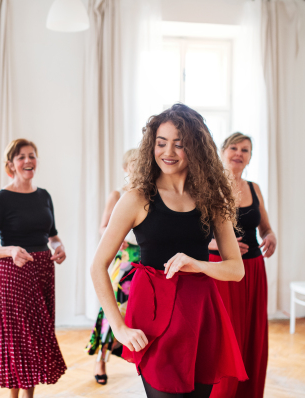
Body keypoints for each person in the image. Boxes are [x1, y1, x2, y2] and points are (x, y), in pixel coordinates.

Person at [90, 104, 248, 398]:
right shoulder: (137, 198)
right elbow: (98, 265)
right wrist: (119, 328)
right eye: (161, 143)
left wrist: (198, 264)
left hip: (201, 315)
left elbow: (236, 270)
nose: (169, 152)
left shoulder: (211, 199)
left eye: (180, 144)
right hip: (153, 316)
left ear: (196, 148)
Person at [0, 139, 67, 398]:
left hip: (43, 270)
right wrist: (10, 251)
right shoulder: (1, 199)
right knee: (21, 336)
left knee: (38, 335)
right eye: (21, 157)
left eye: (32, 156)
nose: (28, 161)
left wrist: (59, 247)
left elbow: (52, 235)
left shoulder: (44, 196)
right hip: (15, 271)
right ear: (11, 165)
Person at [209, 132, 277, 398]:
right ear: (223, 151)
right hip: (222, 270)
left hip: (253, 270)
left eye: (245, 150)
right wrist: (213, 245)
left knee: (252, 335)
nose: (239, 153)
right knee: (225, 337)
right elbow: (192, 232)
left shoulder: (254, 187)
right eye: (234, 147)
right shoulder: (209, 185)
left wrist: (270, 235)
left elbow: (265, 226)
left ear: (249, 157)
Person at [86, 148, 139, 385]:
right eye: (134, 164)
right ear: (125, 168)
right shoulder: (118, 195)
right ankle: (101, 359)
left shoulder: (152, 193)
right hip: (125, 259)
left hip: (146, 261)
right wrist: (117, 238)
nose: (138, 167)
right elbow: (102, 228)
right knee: (114, 309)